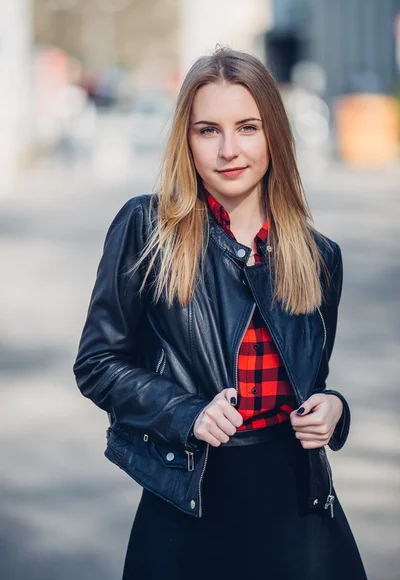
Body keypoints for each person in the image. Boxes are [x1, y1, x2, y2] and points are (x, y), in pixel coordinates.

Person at [73, 46, 368, 579]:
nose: (229, 149)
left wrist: (334, 408)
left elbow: (310, 382)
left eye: (248, 127)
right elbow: (98, 363)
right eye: (208, 130)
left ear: (273, 134)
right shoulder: (147, 229)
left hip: (297, 507)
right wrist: (186, 412)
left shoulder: (320, 257)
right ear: (186, 141)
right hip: (189, 503)